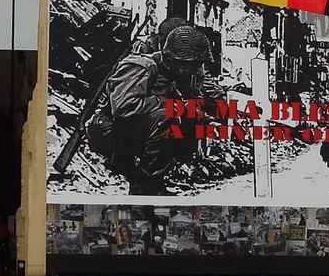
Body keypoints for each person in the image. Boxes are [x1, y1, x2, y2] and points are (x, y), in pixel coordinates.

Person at [56, 24, 213, 195]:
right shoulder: (142, 66)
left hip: (135, 132)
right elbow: (124, 108)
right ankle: (144, 187)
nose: (196, 69)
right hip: (109, 131)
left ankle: (155, 181)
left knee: (191, 118)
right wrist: (169, 104)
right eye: (194, 64)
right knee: (167, 115)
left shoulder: (176, 75)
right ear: (178, 62)